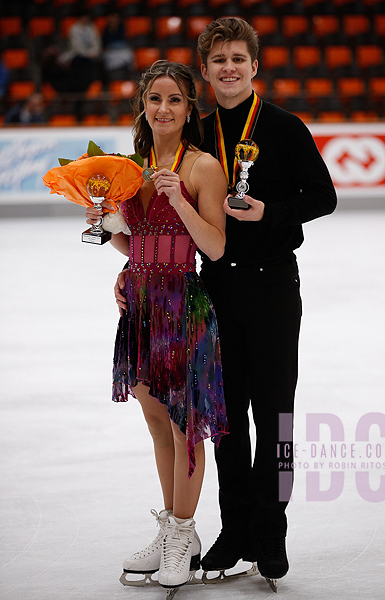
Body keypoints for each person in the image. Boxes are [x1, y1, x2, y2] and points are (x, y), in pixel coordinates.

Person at [114, 17, 337, 586]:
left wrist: (271, 212)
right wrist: (131, 265)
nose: (229, 68)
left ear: (254, 65)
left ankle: (273, 530)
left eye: (239, 58)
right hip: (213, 295)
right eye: (218, 61)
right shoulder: (201, 132)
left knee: (277, 419)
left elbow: (324, 197)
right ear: (207, 72)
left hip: (270, 288)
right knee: (224, 421)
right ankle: (234, 530)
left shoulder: (285, 128)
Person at [85, 60, 228, 590]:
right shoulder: (129, 166)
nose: (163, 109)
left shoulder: (202, 167)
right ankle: (174, 526)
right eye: (154, 100)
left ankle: (185, 529)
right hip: (139, 304)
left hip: (181, 306)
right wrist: (106, 227)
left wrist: (177, 200)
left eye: (174, 100)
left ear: (190, 108)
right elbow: (136, 241)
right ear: (142, 107)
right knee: (154, 420)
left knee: (184, 425)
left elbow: (214, 245)